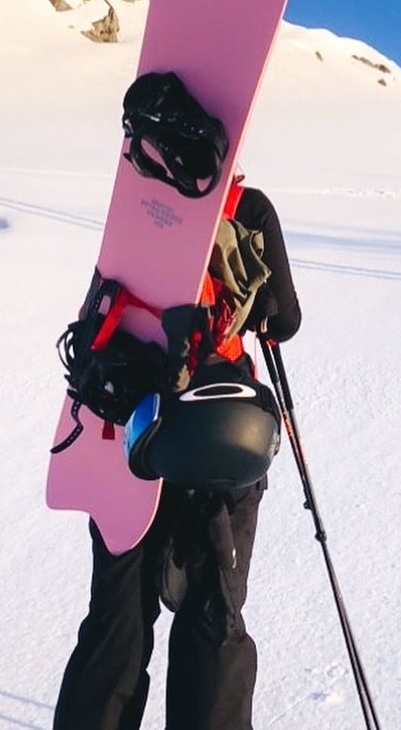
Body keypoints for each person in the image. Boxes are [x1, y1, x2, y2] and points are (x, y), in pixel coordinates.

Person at [53, 181, 301, 730]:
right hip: (221, 437)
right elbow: (283, 322)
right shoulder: (250, 207)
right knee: (212, 619)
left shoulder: (139, 197)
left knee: (117, 623)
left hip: (126, 432)